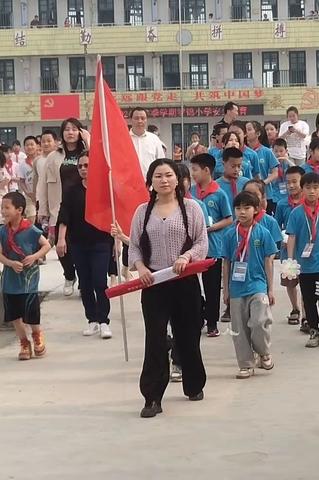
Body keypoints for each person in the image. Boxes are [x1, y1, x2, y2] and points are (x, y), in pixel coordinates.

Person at [129, 159, 208, 418]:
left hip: (184, 282)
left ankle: (194, 384)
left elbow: (201, 242)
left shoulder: (191, 208)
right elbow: (135, 246)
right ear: (150, 181)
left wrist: (186, 257)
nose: (163, 180)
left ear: (178, 179)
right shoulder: (143, 211)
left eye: (168, 175)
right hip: (154, 284)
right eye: (158, 176)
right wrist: (140, 267)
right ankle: (152, 397)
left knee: (187, 336)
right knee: (155, 338)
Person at [57, 152, 113, 339]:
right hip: (78, 243)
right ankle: (92, 320)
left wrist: (118, 241)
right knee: (86, 284)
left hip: (101, 242)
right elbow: (64, 215)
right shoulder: (71, 190)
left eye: (87, 165)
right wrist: (61, 239)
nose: (83, 169)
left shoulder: (104, 190)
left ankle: (104, 321)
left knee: (99, 281)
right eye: (80, 166)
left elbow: (112, 215)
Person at [222, 191, 277, 379]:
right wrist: (226, 290)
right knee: (239, 328)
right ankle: (245, 364)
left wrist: (270, 289)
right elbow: (226, 263)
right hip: (237, 288)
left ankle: (264, 352)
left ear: (256, 210)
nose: (242, 212)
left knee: (259, 322)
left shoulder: (263, 232)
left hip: (258, 285)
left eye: (247, 208)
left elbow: (269, 261)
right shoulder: (230, 235)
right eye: (238, 208)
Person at [286, 172, 319, 348]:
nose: (311, 191)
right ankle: (314, 330)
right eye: (308, 187)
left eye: (315, 187)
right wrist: (291, 261)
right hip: (304, 265)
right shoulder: (296, 213)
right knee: (308, 300)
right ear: (302, 189)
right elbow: (291, 237)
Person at [39, 118, 89, 296]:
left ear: (80, 132)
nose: (70, 132)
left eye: (74, 129)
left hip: (83, 206)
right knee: (61, 246)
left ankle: (84, 282)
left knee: (83, 245)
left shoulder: (87, 153)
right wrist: (42, 210)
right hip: (59, 206)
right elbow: (43, 184)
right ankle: (69, 275)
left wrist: (88, 140)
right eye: (67, 129)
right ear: (62, 134)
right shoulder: (54, 156)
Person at [0, 192, 51, 360]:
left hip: (29, 280)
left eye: (7, 207)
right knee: (14, 315)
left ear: (19, 210)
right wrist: (9, 263)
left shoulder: (30, 229)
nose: (3, 211)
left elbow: (46, 245)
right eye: (2, 207)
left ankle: (37, 336)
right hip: (10, 279)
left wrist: (34, 257)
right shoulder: (2, 232)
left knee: (31, 312)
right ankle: (24, 342)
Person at [190, 153, 233, 337]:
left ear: (207, 170)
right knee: (192, 286)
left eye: (195, 169)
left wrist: (210, 228)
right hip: (192, 247)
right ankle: (197, 316)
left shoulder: (219, 193)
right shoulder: (190, 192)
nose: (192, 174)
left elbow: (229, 219)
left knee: (212, 286)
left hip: (213, 246)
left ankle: (212, 322)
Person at [274, 166, 307, 329]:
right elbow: (277, 226)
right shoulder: (282, 204)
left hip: (306, 251)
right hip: (288, 251)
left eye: (295, 181)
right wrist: (281, 238)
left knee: (306, 282)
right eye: (288, 183)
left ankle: (307, 315)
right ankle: (295, 308)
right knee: (290, 282)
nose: (291, 186)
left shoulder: (308, 203)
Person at [245, 121, 279, 214]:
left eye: (249, 129)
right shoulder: (244, 153)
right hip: (247, 194)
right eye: (245, 130)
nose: (246, 132)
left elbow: (275, 173)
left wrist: (263, 182)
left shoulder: (267, 151)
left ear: (258, 133)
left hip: (266, 194)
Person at [243, 179, 283, 245]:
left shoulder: (270, 222)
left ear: (263, 197)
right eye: (247, 194)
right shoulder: (238, 222)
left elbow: (276, 247)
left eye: (255, 194)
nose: (251, 197)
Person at [129, 107, 166, 178]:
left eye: (143, 118)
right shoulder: (125, 139)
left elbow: (161, 162)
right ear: (131, 120)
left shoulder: (154, 139)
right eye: (136, 118)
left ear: (146, 120)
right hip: (130, 184)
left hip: (151, 184)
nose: (140, 121)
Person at [18, 136, 38, 224]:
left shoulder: (43, 160)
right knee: (31, 219)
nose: (29, 147)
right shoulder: (22, 164)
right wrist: (27, 192)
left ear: (37, 146)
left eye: (32, 144)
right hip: (29, 196)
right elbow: (21, 181)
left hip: (43, 195)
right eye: (27, 145)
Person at [271, 138, 294, 206]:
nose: (278, 154)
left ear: (286, 151)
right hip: (274, 196)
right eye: (276, 151)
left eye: (281, 151)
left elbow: (298, 171)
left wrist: (287, 160)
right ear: (272, 151)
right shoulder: (270, 164)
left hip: (287, 195)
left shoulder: (287, 163)